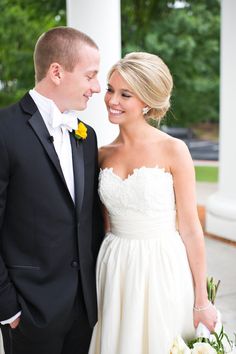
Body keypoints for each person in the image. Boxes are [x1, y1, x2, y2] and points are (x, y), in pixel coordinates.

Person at [89, 52, 217, 354]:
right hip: (114, 265)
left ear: (146, 101)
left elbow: (190, 228)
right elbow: (101, 222)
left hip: (161, 265)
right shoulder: (102, 153)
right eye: (110, 89)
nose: (112, 100)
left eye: (125, 94)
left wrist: (202, 300)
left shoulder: (174, 150)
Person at [0, 26, 104, 354]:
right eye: (90, 76)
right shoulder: (4, 130)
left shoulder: (87, 137)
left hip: (82, 312)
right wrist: (9, 309)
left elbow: (88, 223)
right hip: (29, 313)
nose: (97, 87)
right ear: (56, 72)